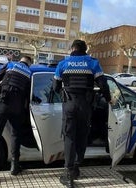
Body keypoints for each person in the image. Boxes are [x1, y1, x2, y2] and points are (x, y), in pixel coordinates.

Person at [52, 40, 113, 188]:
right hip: (85, 106)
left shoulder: (63, 64)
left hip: (69, 105)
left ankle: (68, 173)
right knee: (82, 136)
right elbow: (103, 85)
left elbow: (55, 87)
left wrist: (64, 93)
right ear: (85, 49)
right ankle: (76, 168)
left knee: (69, 137)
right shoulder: (93, 63)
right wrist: (109, 99)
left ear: (72, 48)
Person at [0, 56, 32, 183]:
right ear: (29, 63)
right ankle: (14, 167)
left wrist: (1, 86)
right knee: (15, 135)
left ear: (21, 60)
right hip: (18, 107)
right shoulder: (29, 73)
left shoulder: (10, 65)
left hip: (4, 102)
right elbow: (28, 93)